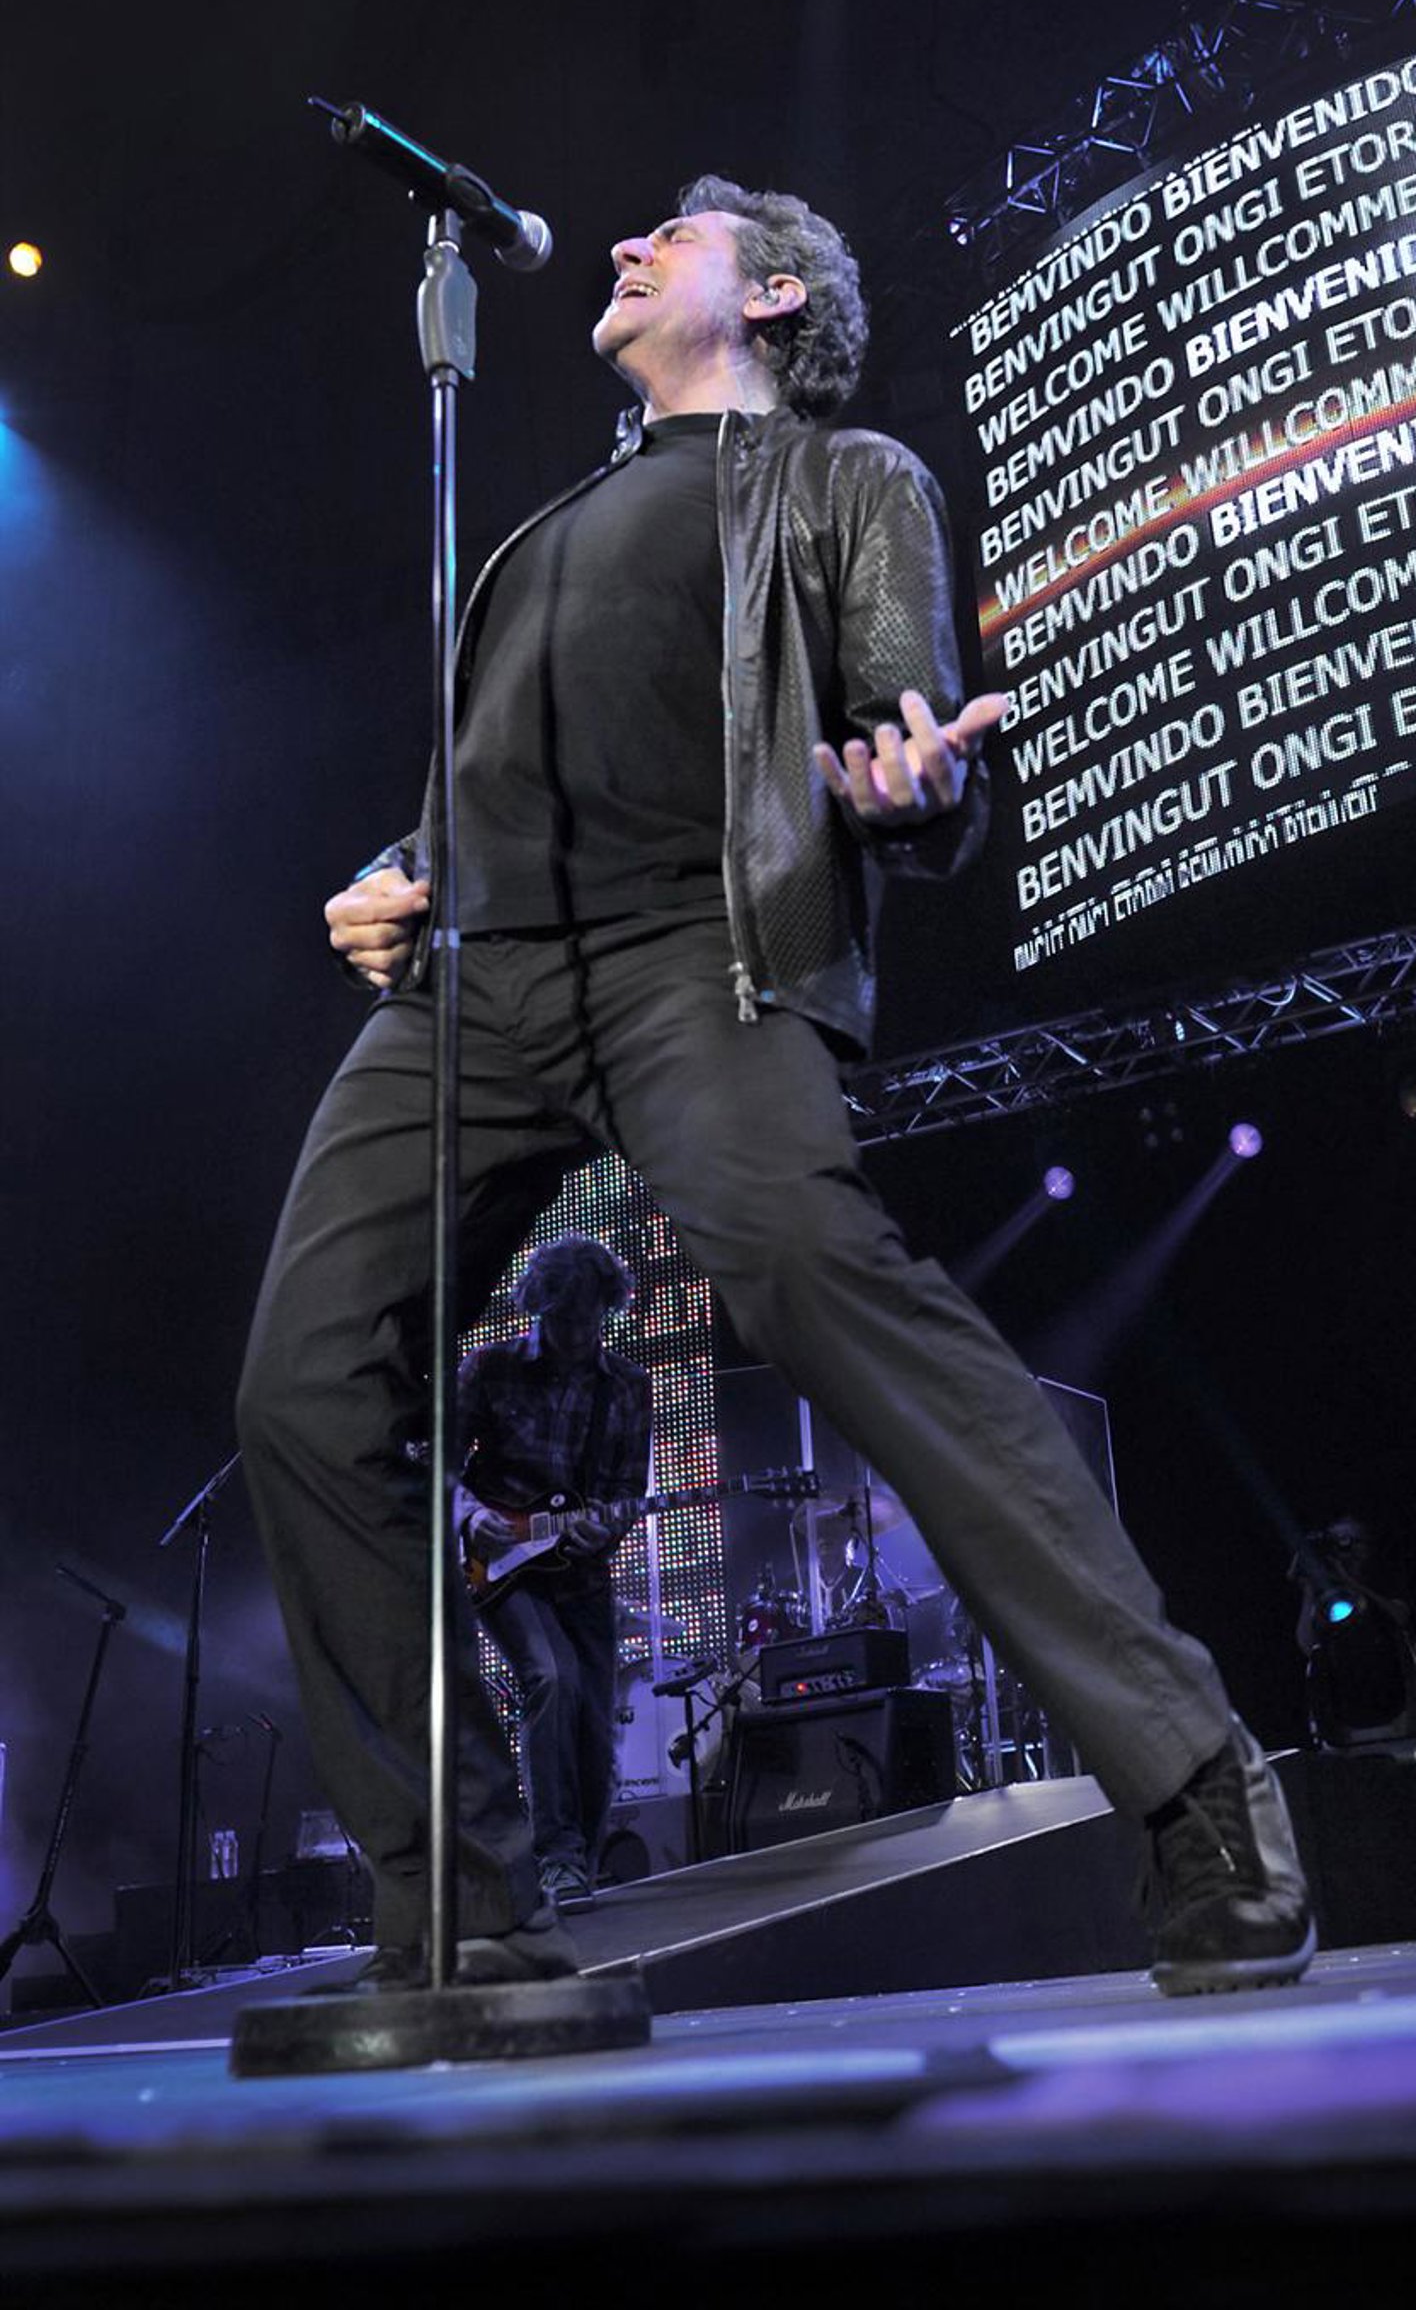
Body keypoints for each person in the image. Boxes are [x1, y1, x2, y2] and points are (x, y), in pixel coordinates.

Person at [236, 174, 1316, 1996]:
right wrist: (391, 878)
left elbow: (907, 724)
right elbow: (483, 785)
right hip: (475, 986)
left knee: (816, 1277)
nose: (623, 245)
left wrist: (916, 787)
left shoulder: (843, 477)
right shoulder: (541, 529)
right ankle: (461, 1904)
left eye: (673, 234)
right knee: (304, 1386)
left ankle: (1197, 1778)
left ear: (779, 296)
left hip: (697, 953)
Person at [457, 1232, 651, 1906]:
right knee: (551, 1676)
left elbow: (627, 1489)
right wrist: (467, 1515)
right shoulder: (490, 1368)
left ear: (605, 1310)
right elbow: (435, 1465)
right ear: (538, 1306)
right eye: (560, 1318)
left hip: (582, 1572)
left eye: (586, 1319)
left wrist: (609, 1523)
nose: (572, 1333)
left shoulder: (628, 1386)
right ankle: (555, 1855)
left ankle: (579, 1863)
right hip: (502, 1565)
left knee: (596, 1727)